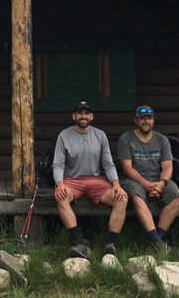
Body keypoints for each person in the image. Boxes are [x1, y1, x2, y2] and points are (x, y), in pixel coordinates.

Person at [52, 101, 128, 259]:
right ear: (74, 116)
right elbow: (58, 164)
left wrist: (116, 184)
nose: (83, 116)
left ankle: (111, 245)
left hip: (95, 180)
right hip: (71, 179)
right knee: (61, 197)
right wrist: (59, 184)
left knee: (121, 198)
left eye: (87, 113)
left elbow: (108, 164)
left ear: (91, 116)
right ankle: (78, 243)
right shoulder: (64, 136)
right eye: (80, 113)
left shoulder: (100, 135)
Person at [117, 105, 179, 251]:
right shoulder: (126, 138)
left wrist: (162, 183)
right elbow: (127, 167)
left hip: (157, 179)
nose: (146, 121)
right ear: (136, 120)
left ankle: (156, 240)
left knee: (175, 197)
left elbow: (167, 167)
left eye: (149, 118)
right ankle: (157, 241)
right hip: (134, 179)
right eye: (142, 118)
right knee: (136, 196)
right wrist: (145, 184)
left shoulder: (162, 140)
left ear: (153, 120)